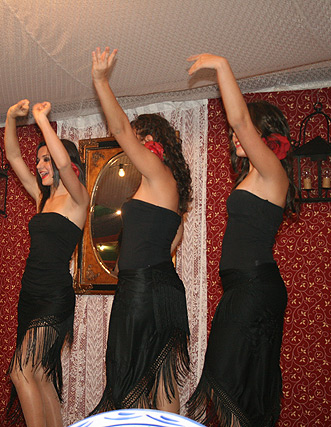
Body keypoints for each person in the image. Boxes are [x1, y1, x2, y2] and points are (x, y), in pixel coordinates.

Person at [185, 54, 298, 427]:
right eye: (236, 134)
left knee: (231, 387)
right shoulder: (252, 176)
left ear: (265, 137)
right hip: (240, 289)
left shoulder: (272, 172)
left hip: (254, 287)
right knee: (231, 388)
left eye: (245, 131)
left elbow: (238, 119)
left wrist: (221, 66)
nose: (235, 135)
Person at [89, 47, 193, 414]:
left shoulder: (154, 171)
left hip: (142, 288)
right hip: (164, 288)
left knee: (128, 381)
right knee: (163, 380)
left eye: (137, 139)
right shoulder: (171, 188)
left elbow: (118, 127)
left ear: (150, 142)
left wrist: (101, 80)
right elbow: (172, 241)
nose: (130, 144)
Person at [4, 99, 89, 427]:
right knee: (39, 374)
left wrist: (42, 121)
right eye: (38, 160)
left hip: (55, 294)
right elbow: (13, 157)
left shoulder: (78, 198)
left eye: (45, 159)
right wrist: (10, 118)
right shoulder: (43, 198)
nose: (39, 165)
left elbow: (64, 166)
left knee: (21, 371)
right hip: (30, 293)